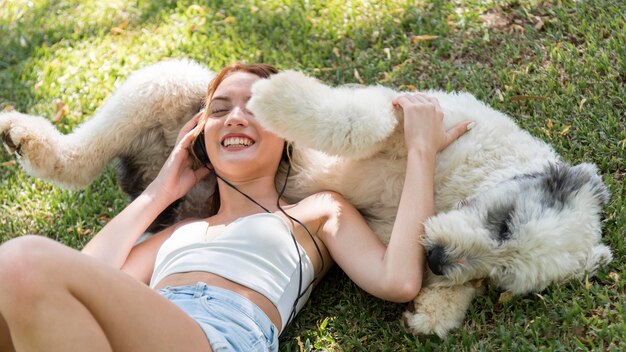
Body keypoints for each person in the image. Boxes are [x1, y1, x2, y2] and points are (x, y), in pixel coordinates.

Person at [0, 63, 472, 352]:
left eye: (257, 107)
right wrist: (159, 193)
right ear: (199, 136)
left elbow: (399, 281)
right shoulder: (178, 233)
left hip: (217, 338)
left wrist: (420, 152)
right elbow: (83, 278)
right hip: (145, 329)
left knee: (20, 263)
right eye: (220, 109)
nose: (237, 116)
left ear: (288, 129)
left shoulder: (314, 212)